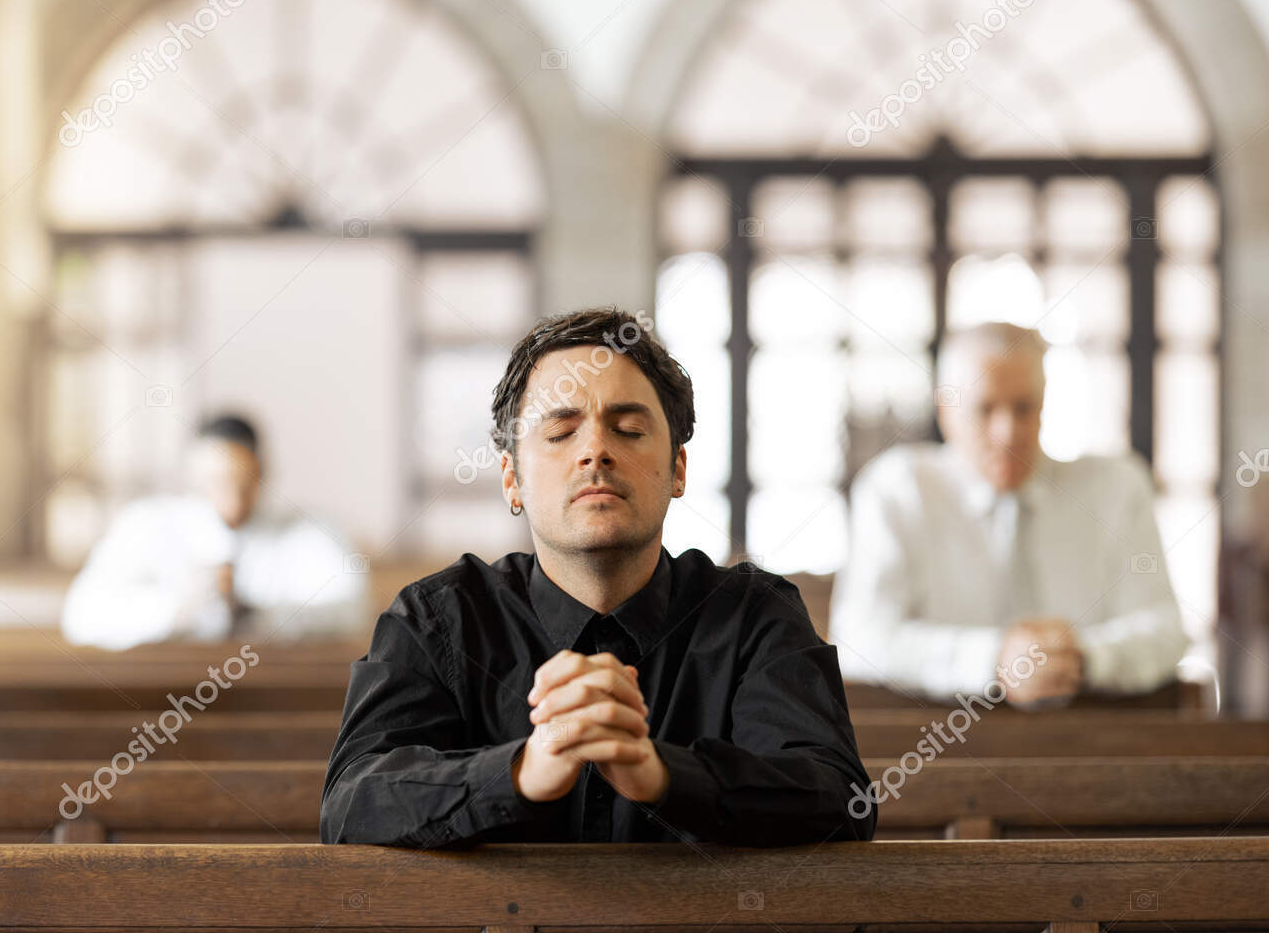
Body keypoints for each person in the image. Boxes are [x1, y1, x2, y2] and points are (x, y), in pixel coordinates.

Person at [321, 308, 874, 848]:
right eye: (560, 433)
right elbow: (351, 802)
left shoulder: (755, 616)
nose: (595, 452)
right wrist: (521, 771)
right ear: (512, 480)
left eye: (629, 429)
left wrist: (661, 775)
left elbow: (840, 798)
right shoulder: (436, 620)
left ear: (678, 469)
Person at [830, 322, 1188, 704]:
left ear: (1045, 401)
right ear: (945, 409)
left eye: (1023, 408)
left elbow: (1166, 630)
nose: (1007, 433)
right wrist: (995, 658)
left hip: (1096, 742)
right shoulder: (897, 490)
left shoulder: (1117, 488)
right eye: (985, 409)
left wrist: (1083, 657)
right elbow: (859, 639)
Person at [60, 413, 366, 651]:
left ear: (262, 473)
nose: (230, 497)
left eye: (241, 482)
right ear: (191, 476)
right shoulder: (145, 524)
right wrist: (178, 609)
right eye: (215, 481)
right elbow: (82, 616)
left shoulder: (312, 531)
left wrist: (260, 617)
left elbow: (352, 611)